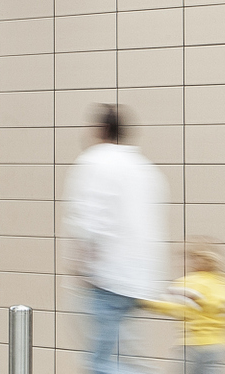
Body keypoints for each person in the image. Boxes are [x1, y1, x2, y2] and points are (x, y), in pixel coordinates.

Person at [63, 104, 169, 374]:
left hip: (107, 279)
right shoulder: (145, 168)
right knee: (122, 356)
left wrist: (81, 267)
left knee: (99, 363)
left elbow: (89, 221)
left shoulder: (95, 160)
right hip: (140, 281)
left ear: (101, 129)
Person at [141, 239, 225, 374]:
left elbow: (171, 306)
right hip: (219, 347)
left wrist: (143, 302)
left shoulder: (190, 282)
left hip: (191, 346)